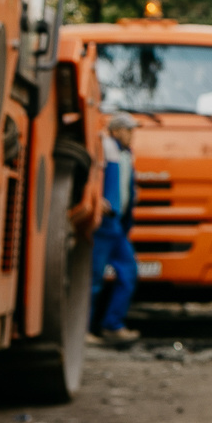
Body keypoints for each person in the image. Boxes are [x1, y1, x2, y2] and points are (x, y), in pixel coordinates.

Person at [90, 112, 141, 346]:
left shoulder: (126, 154)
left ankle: (113, 324)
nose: (132, 135)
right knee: (94, 278)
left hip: (117, 224)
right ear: (117, 130)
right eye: (129, 130)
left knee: (128, 272)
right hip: (104, 224)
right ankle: (84, 328)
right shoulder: (103, 149)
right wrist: (96, 198)